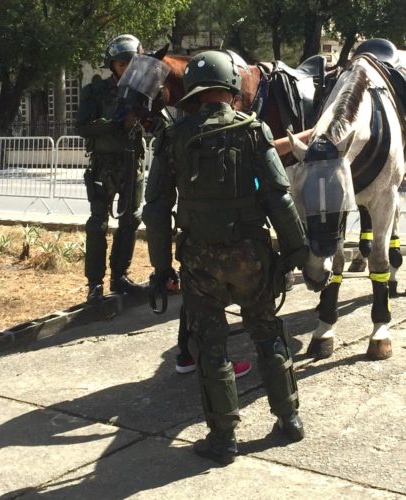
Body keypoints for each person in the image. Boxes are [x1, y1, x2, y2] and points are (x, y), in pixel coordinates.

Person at [142, 50, 308, 465]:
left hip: (201, 264)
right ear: (232, 88)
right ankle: (289, 421)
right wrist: (297, 251)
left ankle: (223, 439)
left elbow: (156, 211)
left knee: (211, 346)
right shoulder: (254, 131)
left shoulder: (174, 137)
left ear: (193, 93)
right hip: (253, 259)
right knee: (268, 334)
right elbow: (279, 197)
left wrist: (161, 269)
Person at [76, 34, 147, 302]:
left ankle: (120, 277)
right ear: (112, 64)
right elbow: (82, 126)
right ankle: (95, 284)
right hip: (104, 166)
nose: (127, 68)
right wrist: (115, 123)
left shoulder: (142, 92)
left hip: (133, 164)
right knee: (98, 224)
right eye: (121, 63)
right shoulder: (94, 91)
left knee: (130, 220)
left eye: (132, 63)